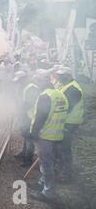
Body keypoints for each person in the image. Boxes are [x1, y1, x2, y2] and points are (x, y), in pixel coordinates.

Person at [28, 69, 69, 202]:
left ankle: (48, 193)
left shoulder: (45, 96)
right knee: (50, 162)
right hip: (57, 135)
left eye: (37, 81)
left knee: (46, 164)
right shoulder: (59, 94)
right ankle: (42, 183)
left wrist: (33, 134)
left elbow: (40, 117)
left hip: (45, 135)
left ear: (41, 81)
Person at [51, 66, 84, 183]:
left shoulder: (74, 89)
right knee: (60, 147)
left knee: (64, 149)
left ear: (69, 75)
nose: (60, 77)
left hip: (69, 123)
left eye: (62, 75)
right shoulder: (66, 86)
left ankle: (66, 175)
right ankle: (60, 171)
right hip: (65, 121)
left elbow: (66, 107)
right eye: (59, 76)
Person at [13, 71, 40, 167]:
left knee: (29, 138)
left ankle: (28, 159)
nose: (19, 82)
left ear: (24, 79)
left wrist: (20, 110)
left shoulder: (32, 88)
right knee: (25, 135)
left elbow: (30, 103)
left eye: (20, 80)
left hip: (30, 116)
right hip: (25, 115)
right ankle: (23, 152)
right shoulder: (26, 87)